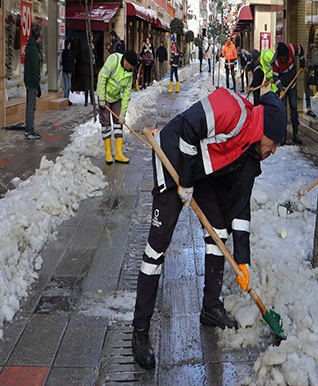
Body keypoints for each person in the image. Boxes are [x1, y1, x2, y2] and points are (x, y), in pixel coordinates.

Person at [131, 90, 288, 369]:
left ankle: (210, 307)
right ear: (265, 129)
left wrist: (243, 260)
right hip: (172, 160)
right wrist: (186, 182)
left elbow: (240, 207)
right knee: (156, 249)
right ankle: (140, 330)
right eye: (274, 143)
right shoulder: (233, 109)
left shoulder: (250, 154)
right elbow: (190, 126)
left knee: (219, 231)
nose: (273, 151)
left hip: (198, 173)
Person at [97, 48, 139, 164]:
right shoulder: (113, 60)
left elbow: (126, 94)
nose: (131, 69)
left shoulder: (129, 73)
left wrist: (122, 114)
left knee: (118, 123)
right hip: (104, 96)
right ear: (126, 62)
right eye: (131, 66)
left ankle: (119, 154)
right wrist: (101, 98)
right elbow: (102, 77)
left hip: (116, 98)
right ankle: (108, 154)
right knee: (105, 124)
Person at [267, 42, 306, 144]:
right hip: (283, 87)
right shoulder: (276, 62)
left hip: (292, 85)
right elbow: (275, 77)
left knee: (294, 108)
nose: (284, 59)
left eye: (285, 57)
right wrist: (281, 89)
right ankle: (283, 135)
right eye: (282, 57)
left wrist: (302, 64)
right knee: (283, 111)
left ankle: (295, 134)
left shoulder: (292, 49)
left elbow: (301, 50)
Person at [23, 27, 43, 140]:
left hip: (28, 80)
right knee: (32, 106)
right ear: (38, 37)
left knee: (29, 106)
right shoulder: (34, 50)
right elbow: (35, 68)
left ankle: (28, 129)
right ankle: (30, 130)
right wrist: (37, 84)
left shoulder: (29, 47)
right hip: (32, 81)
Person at [61, 38, 75, 106]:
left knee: (69, 86)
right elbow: (65, 63)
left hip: (70, 71)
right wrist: (68, 71)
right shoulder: (65, 52)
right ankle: (66, 99)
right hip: (66, 71)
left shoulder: (71, 52)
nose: (69, 46)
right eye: (68, 45)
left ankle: (67, 99)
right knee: (66, 86)